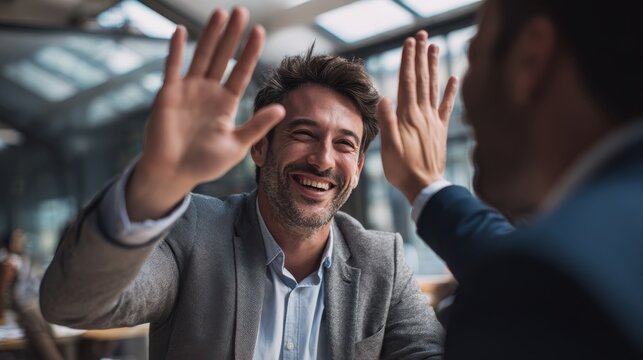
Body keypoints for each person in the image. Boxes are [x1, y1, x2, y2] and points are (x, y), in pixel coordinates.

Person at [39, 7, 448, 359]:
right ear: (259, 147)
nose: (324, 160)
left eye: (344, 144)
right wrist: (151, 187)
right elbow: (72, 305)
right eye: (303, 133)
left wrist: (437, 195)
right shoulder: (195, 233)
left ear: (358, 169)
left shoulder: (382, 262)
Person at [377, 0, 643, 358]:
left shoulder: (534, 285)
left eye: (475, 57)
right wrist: (427, 188)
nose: (464, 107)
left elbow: (544, 285)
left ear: (530, 59)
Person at [1, 230, 63, 360]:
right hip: (18, 310)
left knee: (42, 322)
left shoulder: (26, 260)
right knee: (33, 318)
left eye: (22, 239)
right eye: (17, 239)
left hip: (33, 306)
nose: (20, 242)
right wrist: (5, 277)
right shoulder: (6, 262)